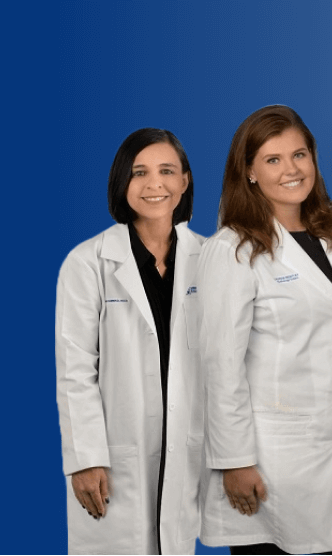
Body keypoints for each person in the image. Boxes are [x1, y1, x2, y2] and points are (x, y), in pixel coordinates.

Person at [197, 105, 332, 555]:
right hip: (269, 458)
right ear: (250, 172)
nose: (291, 170)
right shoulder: (233, 249)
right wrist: (234, 461)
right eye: (273, 160)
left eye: (299, 155)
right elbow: (220, 366)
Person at [57, 128, 206, 555]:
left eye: (167, 171)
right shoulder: (88, 263)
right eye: (139, 172)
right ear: (122, 182)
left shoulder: (210, 259)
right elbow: (75, 371)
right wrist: (86, 457)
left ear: (185, 181)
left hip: (185, 452)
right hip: (114, 458)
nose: (154, 184)